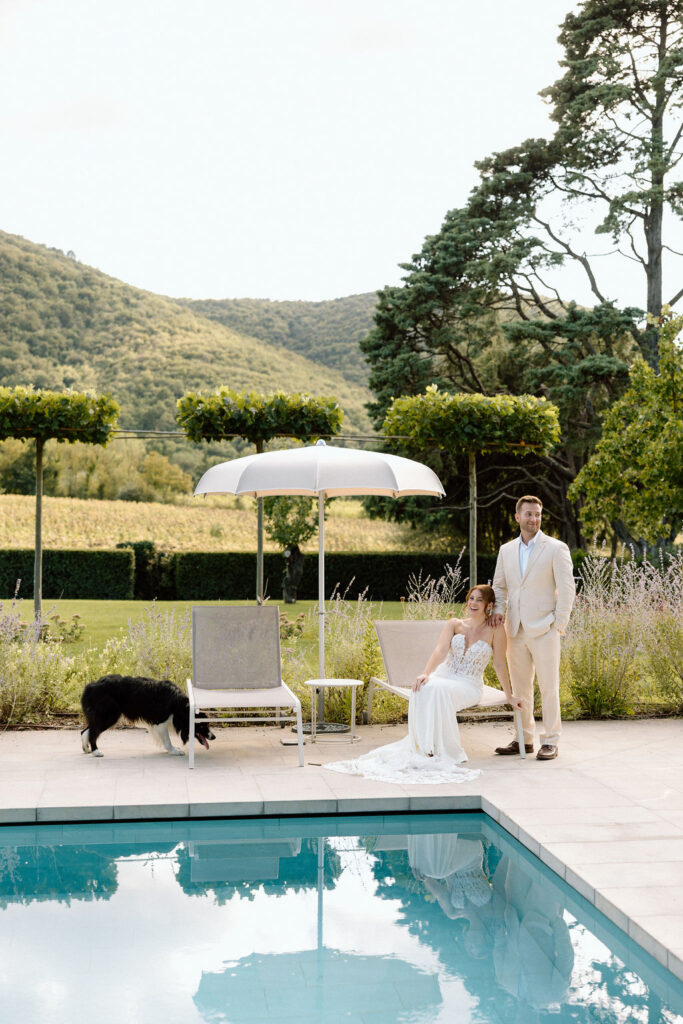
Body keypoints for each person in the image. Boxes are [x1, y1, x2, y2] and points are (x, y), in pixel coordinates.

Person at [325, 585, 522, 785]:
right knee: (424, 687)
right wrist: (426, 673)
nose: (473, 603)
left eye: (479, 600)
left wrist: (509, 695)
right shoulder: (455, 624)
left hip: (468, 684)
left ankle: (442, 749)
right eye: (471, 598)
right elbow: (440, 651)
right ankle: (425, 747)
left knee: (438, 689)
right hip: (445, 674)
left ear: (489, 605)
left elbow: (499, 664)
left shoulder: (496, 630)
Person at [491, 495, 576, 761]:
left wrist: (558, 624)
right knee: (520, 689)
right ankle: (524, 739)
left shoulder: (556, 548)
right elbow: (499, 587)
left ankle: (550, 741)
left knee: (549, 687)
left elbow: (567, 589)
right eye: (528, 514)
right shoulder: (506, 550)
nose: (534, 519)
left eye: (537, 514)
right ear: (518, 517)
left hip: (545, 628)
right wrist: (499, 612)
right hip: (514, 629)